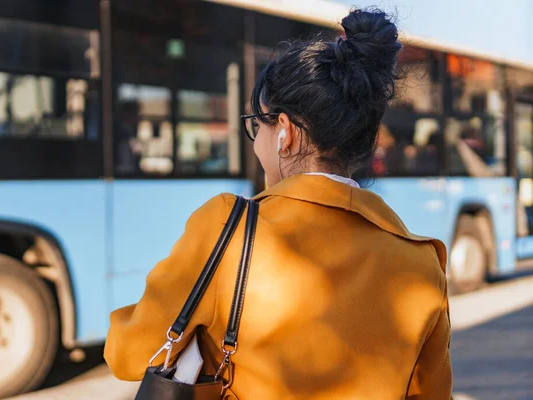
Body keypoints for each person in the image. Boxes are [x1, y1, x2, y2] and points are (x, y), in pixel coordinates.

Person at [105, 8, 452, 399]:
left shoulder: (227, 227)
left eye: (258, 125)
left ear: (284, 131)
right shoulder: (422, 263)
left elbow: (130, 353)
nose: (256, 141)